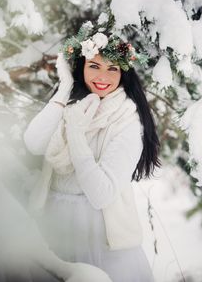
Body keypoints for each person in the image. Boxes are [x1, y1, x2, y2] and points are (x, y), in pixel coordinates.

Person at [24, 26, 161, 282]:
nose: (103, 76)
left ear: (123, 74)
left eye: (113, 69)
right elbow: (34, 143)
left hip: (98, 232)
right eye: (94, 66)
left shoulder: (127, 120)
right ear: (81, 68)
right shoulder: (72, 102)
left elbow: (101, 194)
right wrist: (64, 89)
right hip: (52, 222)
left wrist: (76, 132)